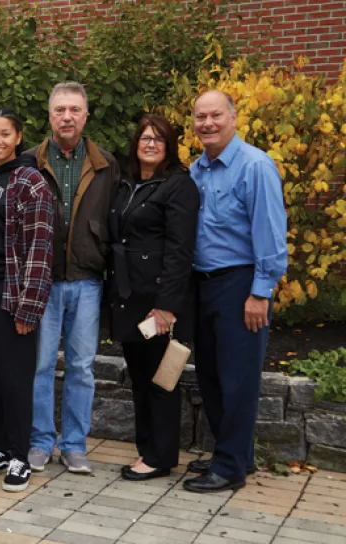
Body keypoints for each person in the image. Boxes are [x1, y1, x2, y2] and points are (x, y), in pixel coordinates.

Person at [184, 90, 287, 493]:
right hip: (203, 285)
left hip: (241, 285)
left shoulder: (255, 166)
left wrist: (260, 292)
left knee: (237, 379)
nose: (207, 123)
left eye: (215, 116)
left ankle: (229, 469)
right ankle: (234, 453)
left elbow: (271, 236)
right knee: (210, 375)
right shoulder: (196, 170)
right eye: (200, 117)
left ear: (233, 117)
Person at [25, 82, 121, 474]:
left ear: (85, 115)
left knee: (82, 366)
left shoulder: (106, 164)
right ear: (49, 115)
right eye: (60, 109)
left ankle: (75, 444)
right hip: (43, 282)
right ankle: (40, 441)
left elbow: (116, 221)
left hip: (86, 279)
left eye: (75, 110)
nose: (67, 116)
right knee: (41, 365)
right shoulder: (30, 161)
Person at [0, 108, 54, 492]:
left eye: (4, 134)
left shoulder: (31, 181)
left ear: (18, 137)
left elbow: (40, 248)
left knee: (17, 376)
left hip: (12, 290)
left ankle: (20, 454)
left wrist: (29, 306)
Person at [106, 114, 199, 481]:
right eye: (144, 138)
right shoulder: (127, 184)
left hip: (158, 304)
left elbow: (180, 250)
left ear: (169, 146)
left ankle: (160, 457)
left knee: (162, 379)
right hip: (130, 300)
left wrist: (167, 306)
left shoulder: (179, 186)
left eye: (158, 139)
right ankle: (147, 448)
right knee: (141, 377)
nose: (150, 144)